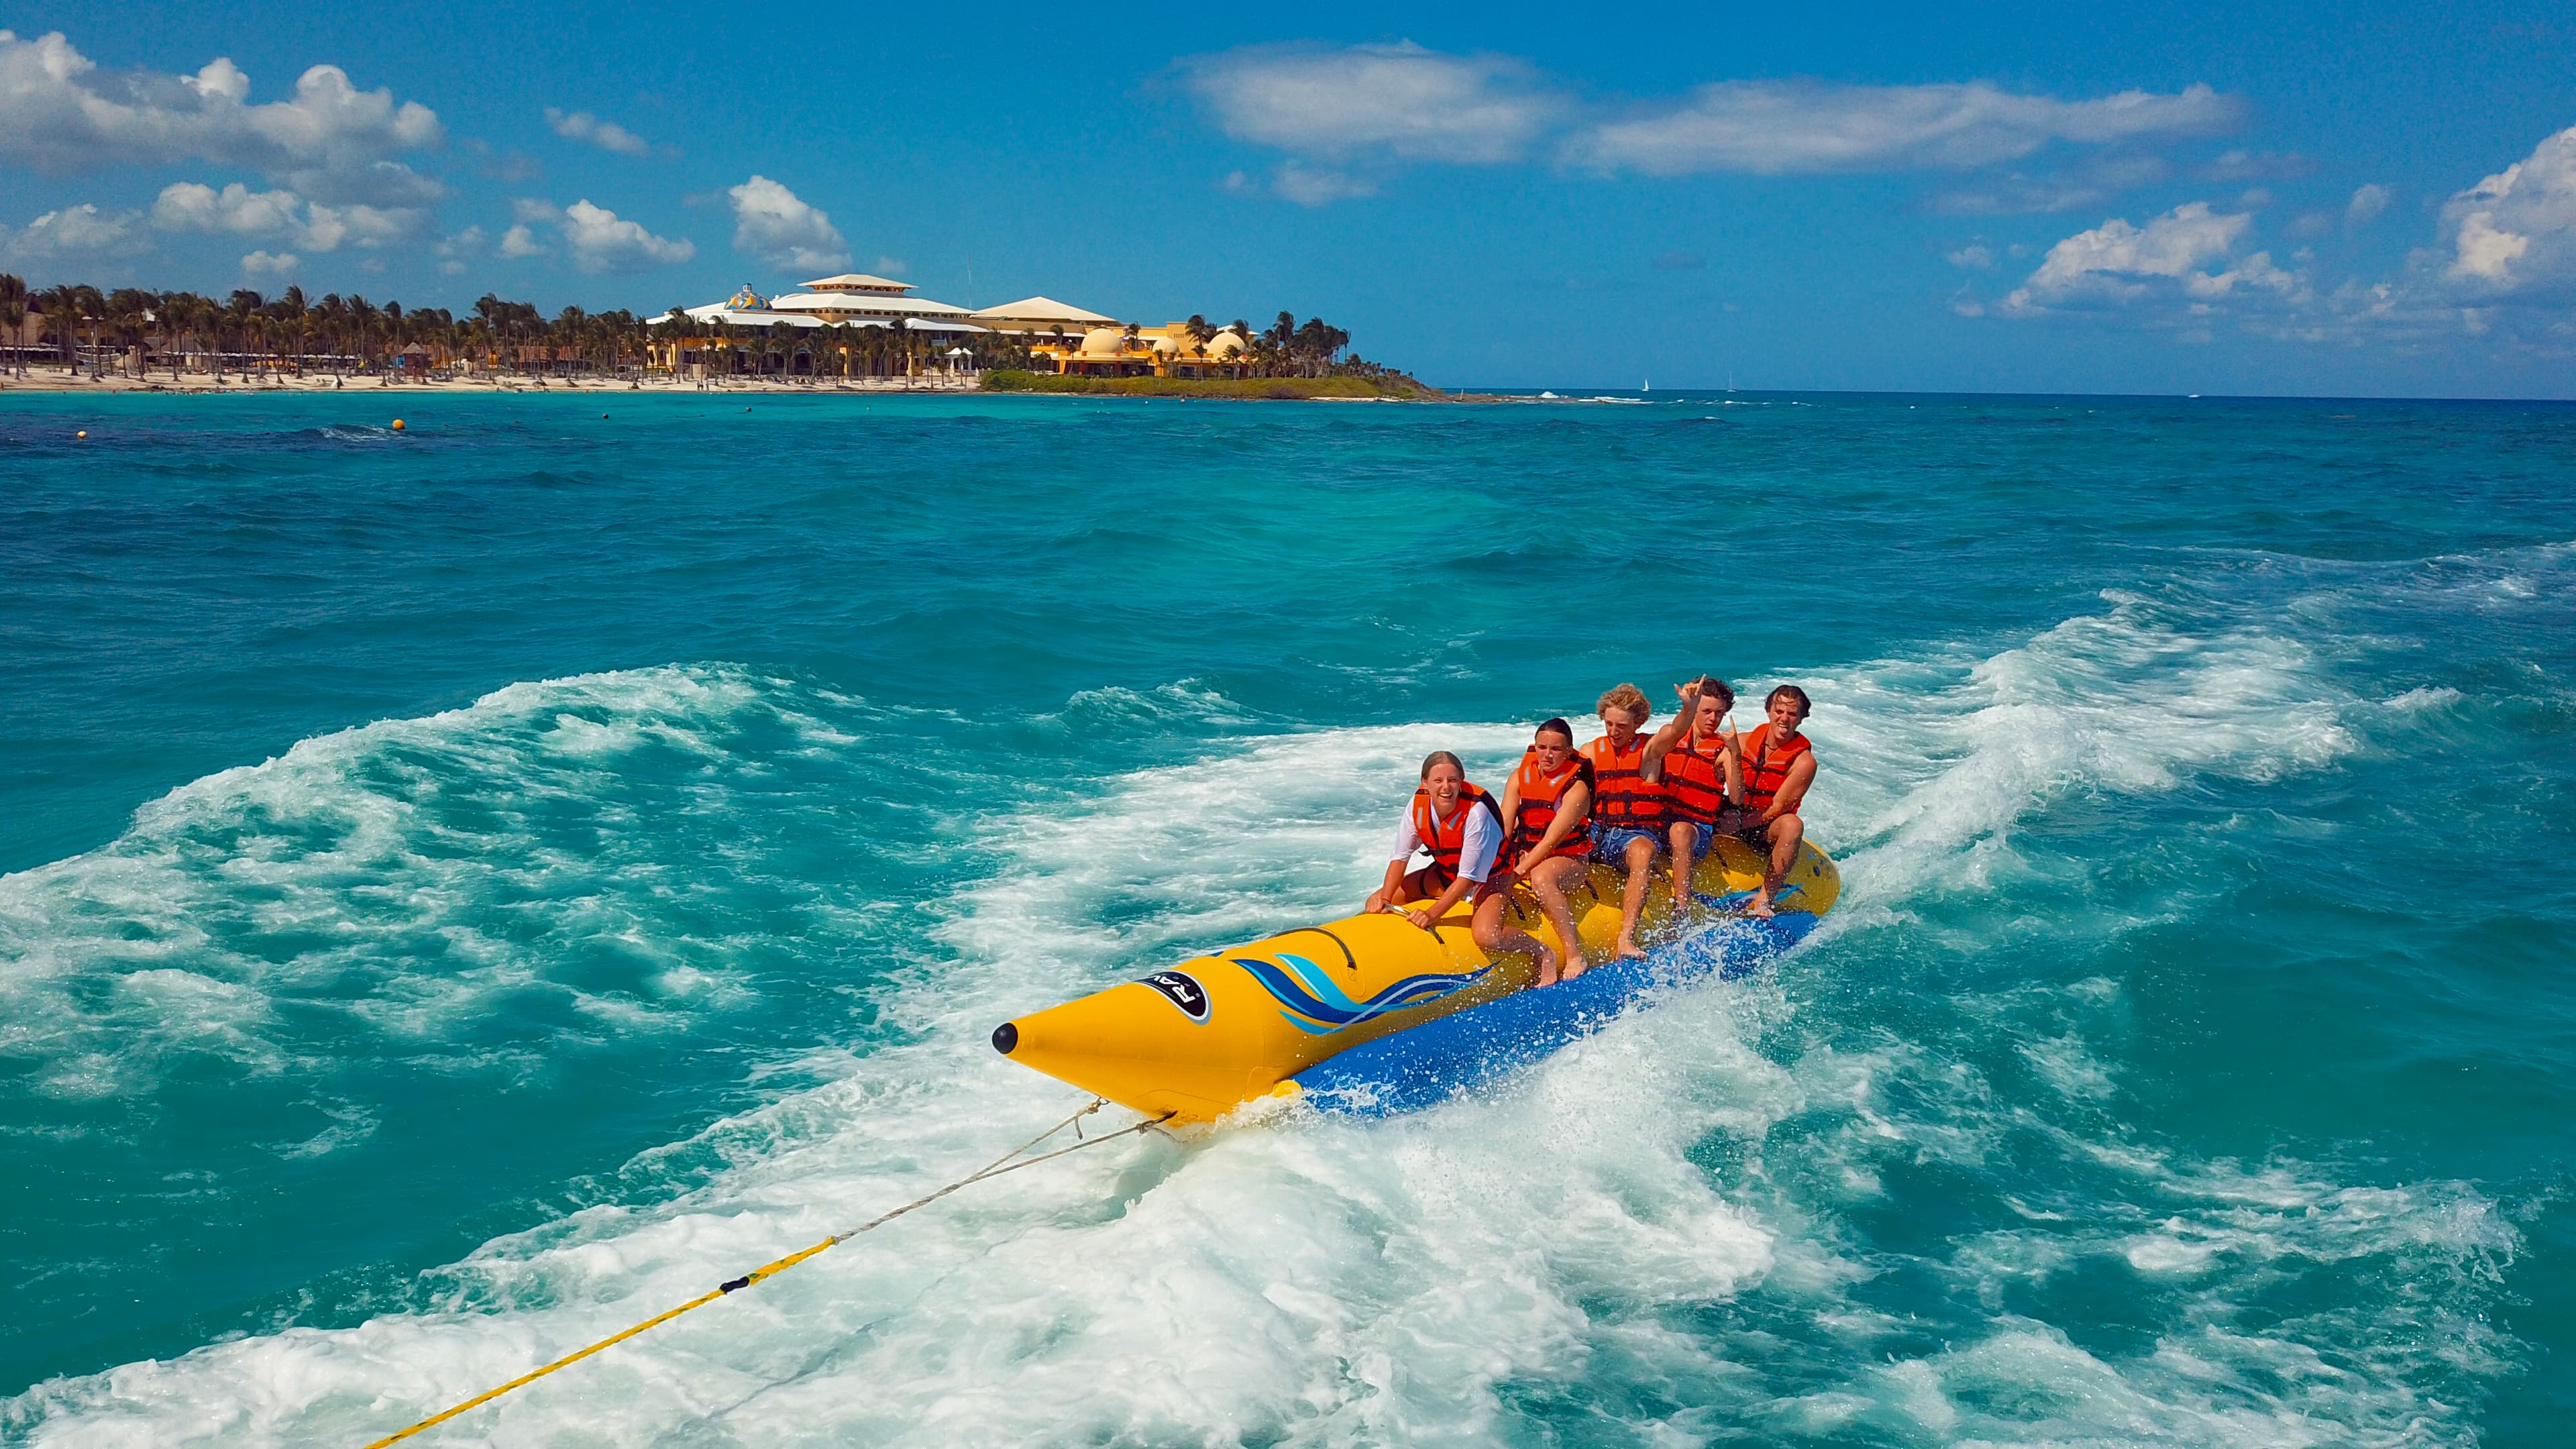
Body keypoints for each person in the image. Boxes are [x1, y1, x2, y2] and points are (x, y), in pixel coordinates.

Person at [1366, 751, 1560, 975]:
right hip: (1444, 875)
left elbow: (1468, 879)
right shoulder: (1416, 806)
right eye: (1438, 781)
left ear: (1462, 781)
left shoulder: (1477, 813)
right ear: (1425, 783)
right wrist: (1385, 898)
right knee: (1375, 900)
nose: (1446, 788)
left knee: (1487, 936)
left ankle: (1542, 951)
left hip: (1489, 880)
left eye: (1452, 780)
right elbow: (1400, 857)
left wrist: (1431, 914)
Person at [1497, 718, 1595, 984]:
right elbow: (1505, 828)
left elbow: (1552, 841)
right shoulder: (1519, 777)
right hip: (1527, 854)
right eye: (1542, 747)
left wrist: (1518, 872)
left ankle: (1575, 954)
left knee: (1541, 878)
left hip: (1569, 860)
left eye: (1555, 749)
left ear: (1568, 751)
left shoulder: (1577, 790)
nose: (1548, 755)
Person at [1640, 676, 1741, 920]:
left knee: (1681, 831)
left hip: (1696, 830)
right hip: (1658, 823)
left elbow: (1737, 797)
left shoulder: (1723, 750)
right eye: (1706, 711)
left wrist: (1736, 754)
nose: (1713, 719)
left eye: (1719, 713)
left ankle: (1682, 912)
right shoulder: (1670, 737)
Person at [1581, 683, 1665, 959]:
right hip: (1598, 831)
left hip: (1634, 834)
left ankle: (1626, 939)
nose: (1614, 732)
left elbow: (1675, 731)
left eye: (1622, 726)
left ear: (1638, 723)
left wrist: (1689, 708)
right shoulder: (1591, 752)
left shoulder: (1650, 751)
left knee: (1643, 853)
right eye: (1609, 724)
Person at [1723, 685, 1817, 918]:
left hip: (1763, 827)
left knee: (1793, 825)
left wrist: (1738, 824)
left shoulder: (1804, 762)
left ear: (1801, 718)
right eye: (1779, 711)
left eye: (1792, 714)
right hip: (1732, 813)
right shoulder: (1742, 743)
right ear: (1769, 711)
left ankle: (1764, 900)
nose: (1784, 718)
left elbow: (1777, 807)